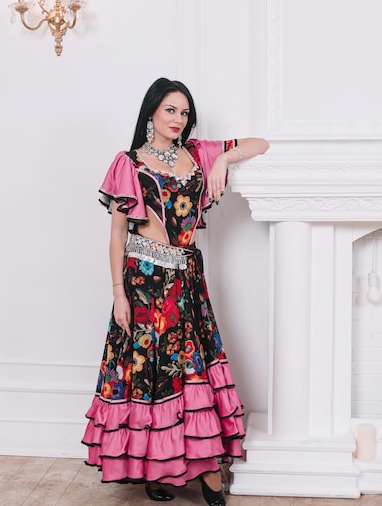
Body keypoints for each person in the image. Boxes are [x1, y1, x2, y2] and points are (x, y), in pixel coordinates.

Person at [81, 78, 269, 504]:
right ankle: (156, 469)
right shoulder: (128, 163)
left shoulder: (199, 153)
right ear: (151, 113)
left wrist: (224, 160)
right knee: (150, 375)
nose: (178, 120)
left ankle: (207, 473)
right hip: (143, 282)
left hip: (186, 280)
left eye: (184, 112)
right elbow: (115, 236)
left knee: (190, 369)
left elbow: (261, 144)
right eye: (170, 110)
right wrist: (118, 294)